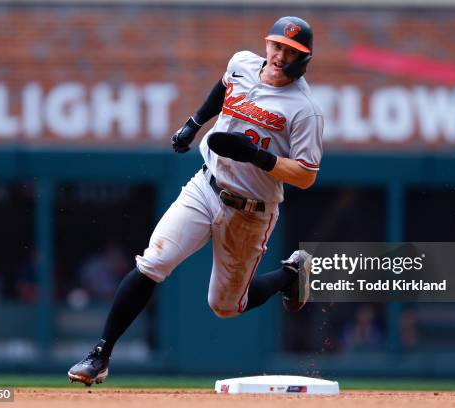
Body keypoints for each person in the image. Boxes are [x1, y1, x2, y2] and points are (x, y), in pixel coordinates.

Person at [67, 16, 323, 386]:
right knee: (154, 261)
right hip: (206, 186)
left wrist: (257, 156)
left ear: (305, 58)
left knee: (225, 306)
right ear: (267, 44)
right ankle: (100, 355)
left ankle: (291, 274)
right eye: (277, 45)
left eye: (291, 51)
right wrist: (195, 122)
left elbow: (306, 174)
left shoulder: (305, 109)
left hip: (250, 211)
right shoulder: (243, 64)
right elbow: (222, 87)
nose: (280, 55)